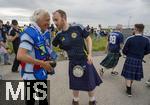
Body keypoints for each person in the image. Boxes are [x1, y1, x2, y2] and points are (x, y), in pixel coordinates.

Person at [52, 9, 102, 105]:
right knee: (75, 84)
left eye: (56, 20)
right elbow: (54, 44)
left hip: (84, 60)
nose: (54, 23)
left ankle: (92, 100)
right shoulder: (59, 35)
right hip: (73, 62)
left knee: (89, 83)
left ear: (63, 18)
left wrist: (90, 54)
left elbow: (88, 39)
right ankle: (75, 100)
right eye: (53, 20)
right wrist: (63, 49)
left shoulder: (77, 27)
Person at [17, 9, 53, 105]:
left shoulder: (39, 32)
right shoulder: (29, 33)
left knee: (43, 101)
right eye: (47, 20)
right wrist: (42, 63)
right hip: (30, 76)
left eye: (49, 20)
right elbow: (20, 55)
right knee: (31, 101)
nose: (49, 23)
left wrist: (48, 61)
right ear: (38, 20)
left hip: (40, 73)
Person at [121, 24, 150, 97]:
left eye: (133, 29)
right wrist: (141, 55)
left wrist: (127, 54)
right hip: (139, 59)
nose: (133, 30)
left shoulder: (130, 38)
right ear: (142, 30)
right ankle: (129, 85)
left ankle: (129, 90)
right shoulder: (147, 39)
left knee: (128, 75)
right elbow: (148, 50)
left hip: (130, 58)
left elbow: (124, 50)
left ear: (136, 29)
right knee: (133, 74)